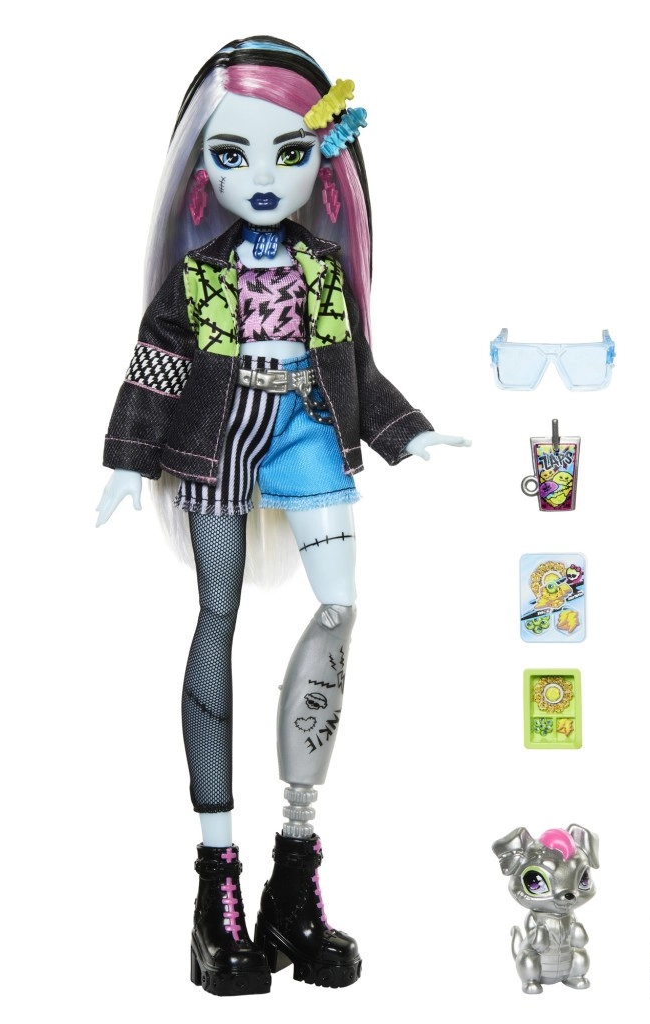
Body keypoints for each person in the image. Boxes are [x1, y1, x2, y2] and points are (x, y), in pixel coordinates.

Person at [96, 35, 468, 996]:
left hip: (306, 431)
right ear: (201, 170)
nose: (261, 178)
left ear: (325, 164)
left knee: (340, 607)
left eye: (289, 154)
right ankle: (216, 880)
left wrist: (410, 432)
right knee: (216, 616)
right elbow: (158, 364)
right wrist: (128, 461)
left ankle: (294, 872)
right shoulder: (199, 276)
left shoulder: (326, 271)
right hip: (219, 439)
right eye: (233, 155)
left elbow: (357, 372)